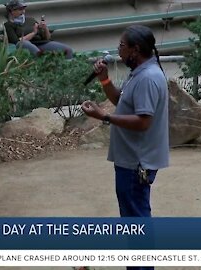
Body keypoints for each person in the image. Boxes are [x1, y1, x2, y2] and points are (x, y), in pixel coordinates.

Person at [81, 25, 169, 270]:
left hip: (136, 163)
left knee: (136, 223)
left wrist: (104, 117)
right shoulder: (139, 72)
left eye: (121, 46)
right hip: (129, 160)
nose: (117, 51)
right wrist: (104, 79)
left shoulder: (149, 78)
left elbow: (143, 121)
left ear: (135, 49)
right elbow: (122, 101)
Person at [3, 0, 73, 59]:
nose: (23, 12)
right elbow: (18, 42)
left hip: (41, 43)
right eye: (20, 9)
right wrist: (33, 33)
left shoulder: (31, 20)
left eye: (24, 9)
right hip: (27, 45)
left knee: (68, 50)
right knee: (25, 43)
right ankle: (41, 59)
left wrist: (45, 28)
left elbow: (47, 38)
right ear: (12, 11)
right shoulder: (8, 25)